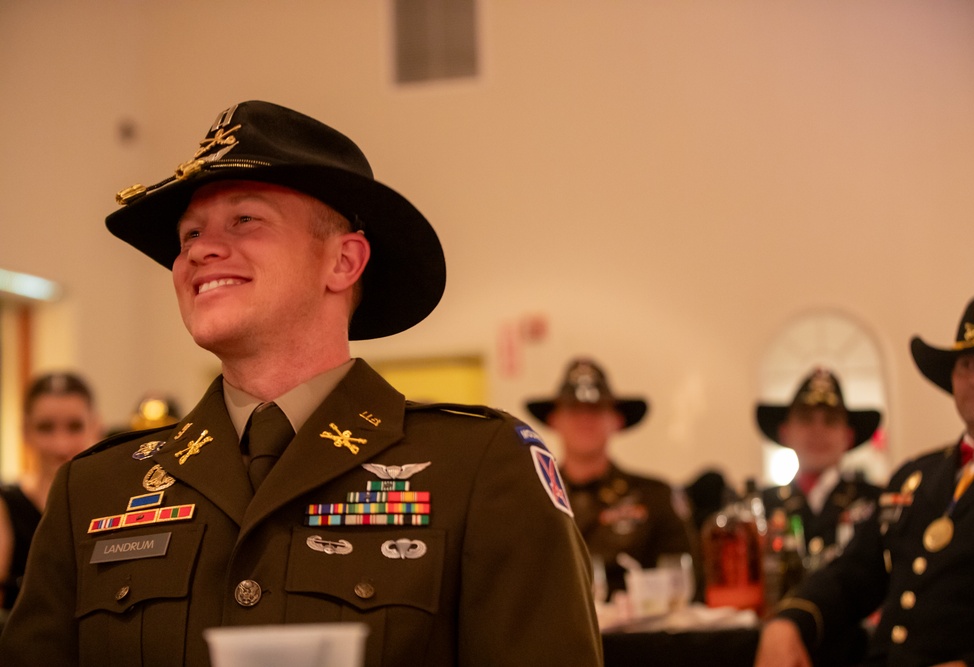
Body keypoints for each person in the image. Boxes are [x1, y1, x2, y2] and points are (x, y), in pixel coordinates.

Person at [0, 101, 602, 666]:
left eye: (244, 219)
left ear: (342, 262)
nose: (201, 251)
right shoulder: (98, 486)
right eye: (189, 234)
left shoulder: (479, 467)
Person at [755, 296, 974, 667]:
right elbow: (856, 572)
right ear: (953, 378)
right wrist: (789, 621)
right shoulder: (914, 476)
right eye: (967, 365)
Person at [525, 357, 697, 599]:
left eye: (596, 409)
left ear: (617, 420)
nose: (585, 419)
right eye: (574, 409)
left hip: (636, 633)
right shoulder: (531, 498)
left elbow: (686, 581)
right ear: (554, 420)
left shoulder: (655, 496)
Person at [756, 367, 883, 563]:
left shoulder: (876, 503)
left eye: (830, 421)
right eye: (806, 419)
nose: (818, 430)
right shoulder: (762, 507)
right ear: (785, 432)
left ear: (848, 437)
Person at [0, 372, 102, 613]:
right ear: (26, 431)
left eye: (74, 427)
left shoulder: (109, 500)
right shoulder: (5, 505)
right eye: (46, 428)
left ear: (96, 427)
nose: (61, 444)